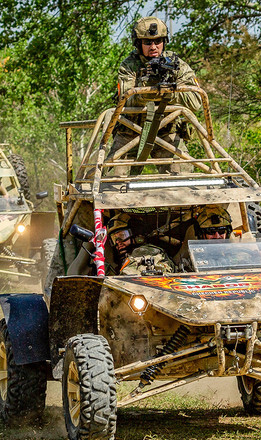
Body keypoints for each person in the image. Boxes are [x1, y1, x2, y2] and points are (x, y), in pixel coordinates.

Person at [110, 16, 202, 176]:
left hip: (166, 130)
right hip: (130, 131)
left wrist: (170, 92)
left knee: (183, 180)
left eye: (158, 41)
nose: (153, 47)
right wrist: (146, 90)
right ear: (139, 44)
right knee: (109, 180)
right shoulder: (129, 66)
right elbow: (126, 101)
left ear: (164, 42)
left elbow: (196, 101)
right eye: (147, 42)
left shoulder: (176, 65)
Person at [107, 212, 174, 275]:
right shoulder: (127, 259)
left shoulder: (148, 252)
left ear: (136, 234)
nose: (118, 242)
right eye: (114, 239)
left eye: (122, 236)